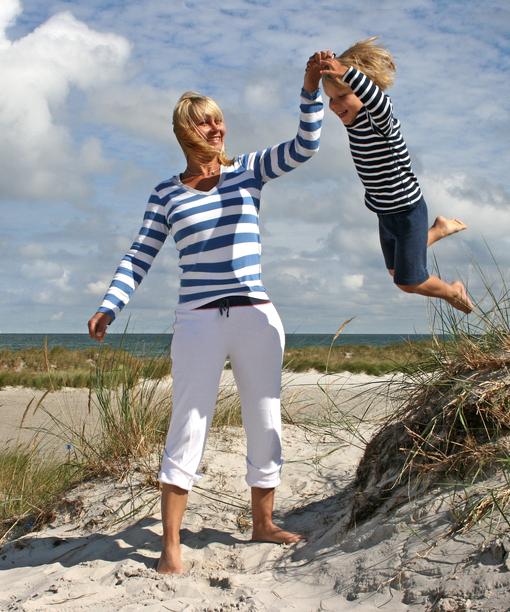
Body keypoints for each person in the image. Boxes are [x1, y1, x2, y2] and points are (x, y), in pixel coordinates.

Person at [87, 53, 329, 574]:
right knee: (188, 424)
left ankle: (263, 523)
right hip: (196, 319)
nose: (217, 127)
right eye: (205, 120)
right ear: (183, 129)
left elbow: (305, 146)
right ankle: (169, 545)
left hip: (255, 316)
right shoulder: (166, 193)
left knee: (265, 420)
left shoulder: (248, 171)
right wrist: (111, 304)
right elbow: (140, 254)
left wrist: (310, 90)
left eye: (220, 119)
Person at [316, 38, 473, 313]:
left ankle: (453, 292)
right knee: (394, 270)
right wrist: (320, 71)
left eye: (342, 96)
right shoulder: (353, 121)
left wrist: (347, 72)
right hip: (384, 213)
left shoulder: (380, 117)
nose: (335, 105)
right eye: (331, 99)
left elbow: (377, 100)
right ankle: (439, 230)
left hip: (407, 210)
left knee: (408, 281)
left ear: (364, 91)